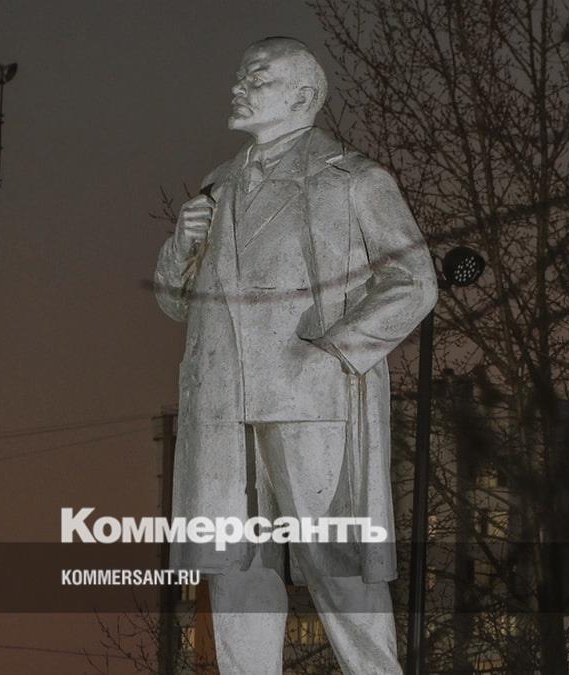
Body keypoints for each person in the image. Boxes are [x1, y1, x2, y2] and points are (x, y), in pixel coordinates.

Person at [153, 36, 436, 674]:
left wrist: (334, 354)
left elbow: (413, 282)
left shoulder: (354, 179)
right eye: (240, 76)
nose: (238, 87)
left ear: (303, 96)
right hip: (223, 404)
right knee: (234, 564)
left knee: (334, 560)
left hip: (312, 400)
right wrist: (180, 247)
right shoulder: (218, 186)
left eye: (256, 77)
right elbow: (176, 304)